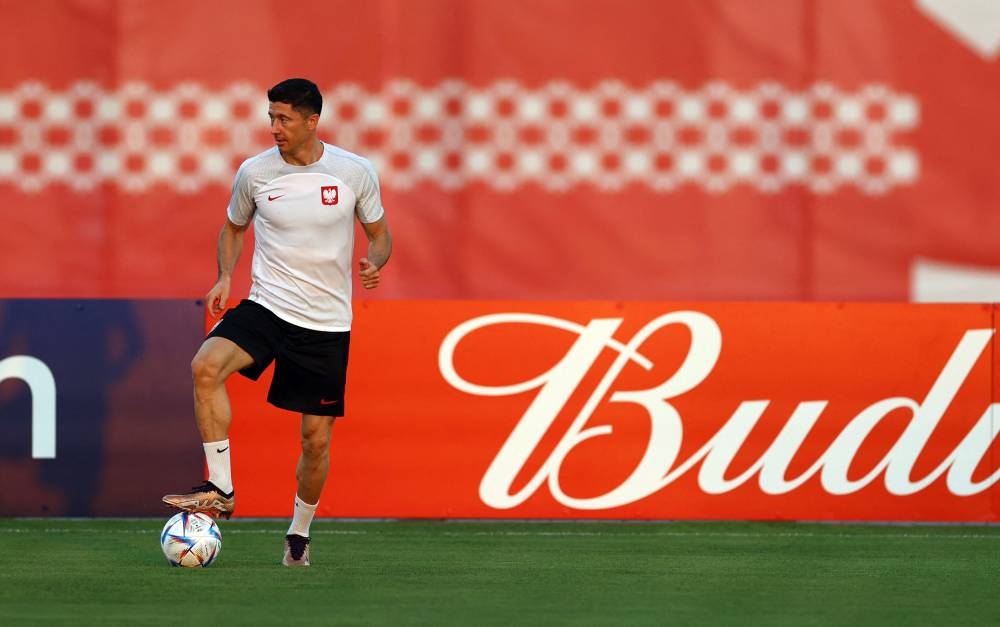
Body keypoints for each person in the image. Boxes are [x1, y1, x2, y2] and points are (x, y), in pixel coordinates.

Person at [162, 78, 392, 567]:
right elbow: (233, 228)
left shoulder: (354, 172)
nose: (275, 128)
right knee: (205, 366)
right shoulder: (255, 173)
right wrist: (225, 275)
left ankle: (299, 533)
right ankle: (220, 488)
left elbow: (379, 234)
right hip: (268, 306)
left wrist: (376, 261)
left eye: (285, 118)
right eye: (271, 117)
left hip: (326, 322)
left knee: (315, 439)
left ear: (313, 121)